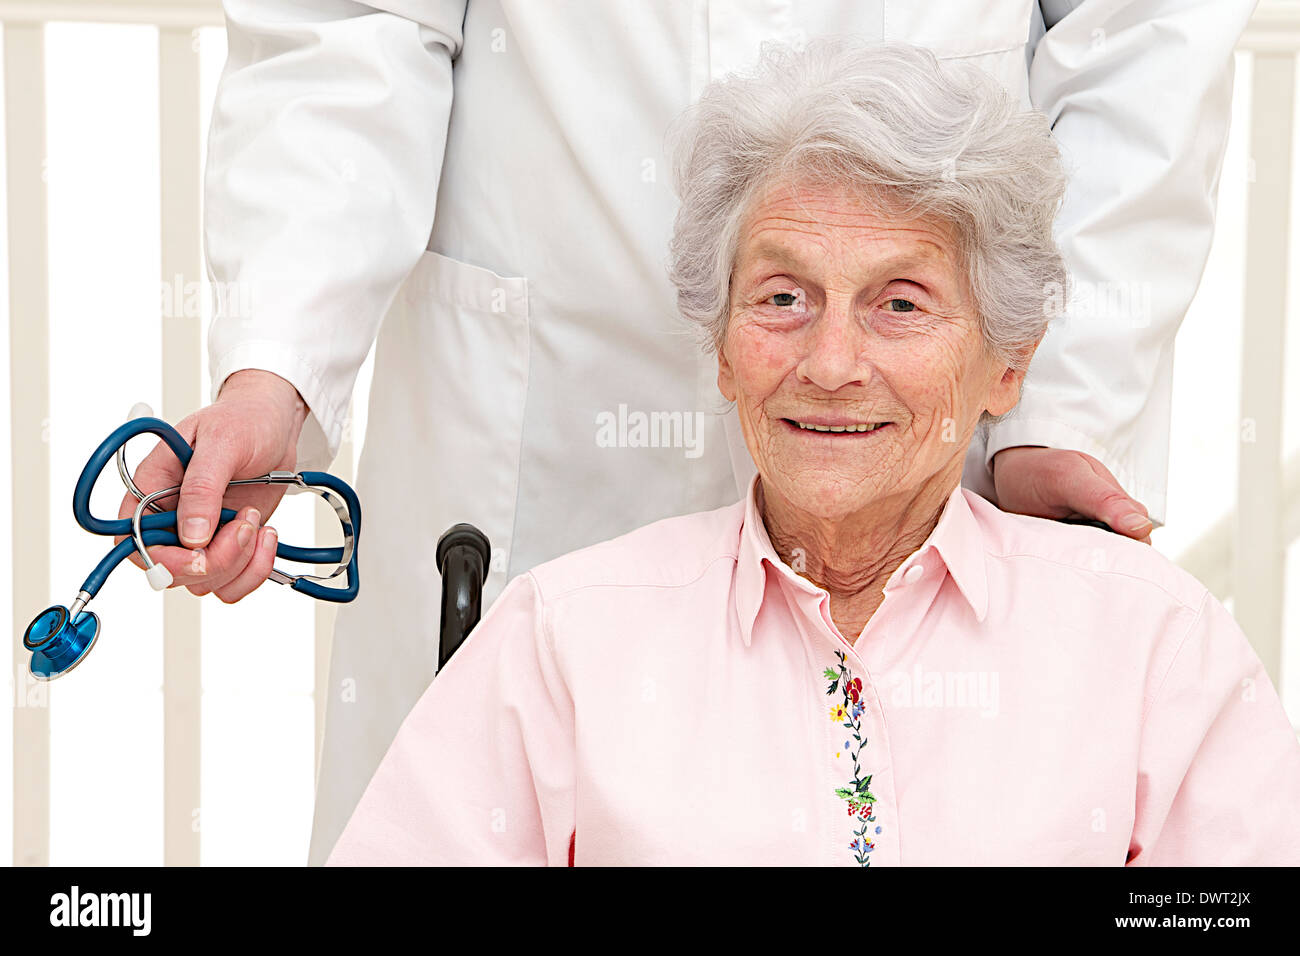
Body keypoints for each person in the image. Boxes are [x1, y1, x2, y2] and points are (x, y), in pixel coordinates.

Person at [118, 0, 1258, 865]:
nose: (830, 360)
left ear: (1003, 352)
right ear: (715, 340)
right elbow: (349, 33)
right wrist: (279, 359)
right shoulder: (541, 643)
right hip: (544, 434)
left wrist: (1062, 404)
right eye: (777, 299)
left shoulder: (1161, 654)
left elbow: (1142, 41)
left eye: (899, 303)